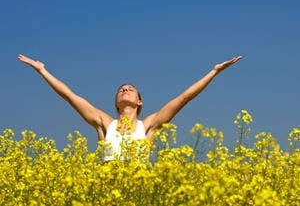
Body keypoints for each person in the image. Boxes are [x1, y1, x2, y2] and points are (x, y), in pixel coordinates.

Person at [18, 54, 241, 160]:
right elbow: (69, 96)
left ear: (139, 101)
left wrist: (214, 71)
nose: (125, 89)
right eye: (120, 89)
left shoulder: (150, 126)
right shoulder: (105, 123)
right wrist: (42, 70)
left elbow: (184, 98)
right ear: (115, 101)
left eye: (130, 88)